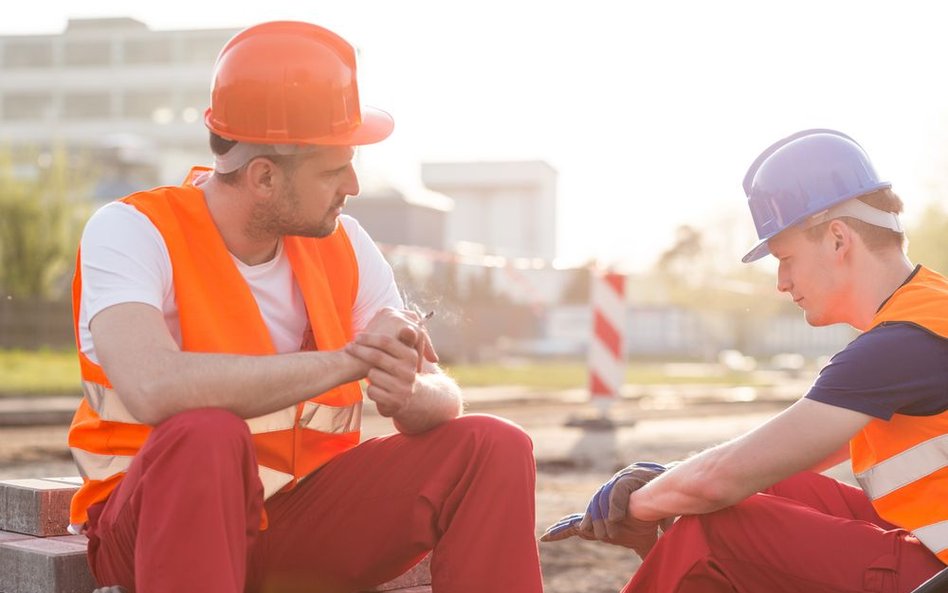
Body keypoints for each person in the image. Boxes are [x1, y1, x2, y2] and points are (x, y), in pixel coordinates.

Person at [68, 20, 543, 593]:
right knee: (206, 434)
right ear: (264, 176)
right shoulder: (132, 230)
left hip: (297, 524)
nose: (353, 185)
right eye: (334, 168)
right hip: (153, 532)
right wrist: (350, 360)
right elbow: (151, 387)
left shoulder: (345, 243)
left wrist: (413, 390)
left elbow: (439, 391)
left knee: (495, 446)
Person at [541, 129, 948, 592]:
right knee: (767, 489)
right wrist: (672, 482)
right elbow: (765, 464)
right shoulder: (924, 317)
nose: (781, 281)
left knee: (717, 529)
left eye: (786, 257)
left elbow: (721, 481)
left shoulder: (901, 344)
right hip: (933, 550)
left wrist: (638, 505)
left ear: (838, 239)